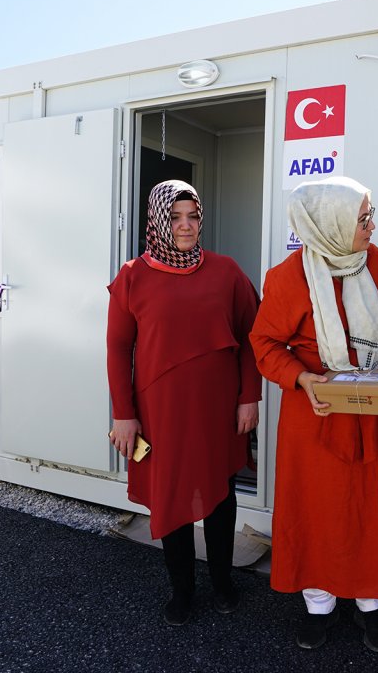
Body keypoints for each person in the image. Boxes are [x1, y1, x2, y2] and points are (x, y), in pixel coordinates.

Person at [249, 176, 378, 653]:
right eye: (363, 219)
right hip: (317, 411)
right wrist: (301, 379)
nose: (371, 227)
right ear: (333, 224)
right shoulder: (287, 278)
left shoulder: (376, 263)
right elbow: (264, 343)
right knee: (317, 507)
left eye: (369, 216)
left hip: (371, 410)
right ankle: (318, 604)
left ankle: (371, 603)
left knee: (370, 503)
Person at [106, 180, 262, 626]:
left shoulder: (226, 271)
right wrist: (123, 414)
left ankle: (222, 583)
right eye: (175, 217)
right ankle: (181, 590)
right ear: (158, 220)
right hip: (159, 412)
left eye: (193, 216)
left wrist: (249, 397)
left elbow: (253, 340)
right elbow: (118, 349)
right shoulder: (133, 275)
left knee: (219, 494)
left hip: (218, 410)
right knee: (169, 493)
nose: (186, 226)